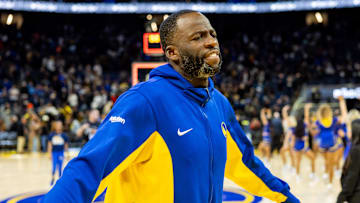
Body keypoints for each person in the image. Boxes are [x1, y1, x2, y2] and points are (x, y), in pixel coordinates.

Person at [42, 10, 299, 203]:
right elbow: (89, 168)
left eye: (212, 34)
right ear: (172, 52)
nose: (211, 41)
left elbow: (245, 163)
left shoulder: (219, 103)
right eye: (198, 37)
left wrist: (286, 198)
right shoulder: (145, 102)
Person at [315, 96, 347, 185]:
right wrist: (342, 102)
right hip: (332, 143)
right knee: (331, 163)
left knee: (327, 162)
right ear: (329, 111)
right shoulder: (333, 120)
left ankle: (326, 173)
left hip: (322, 144)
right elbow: (344, 116)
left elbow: (315, 131)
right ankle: (330, 183)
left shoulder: (318, 121)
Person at [337, 119, 360, 203]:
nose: (347, 131)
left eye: (349, 129)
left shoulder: (356, 150)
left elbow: (352, 176)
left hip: (355, 195)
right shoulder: (352, 145)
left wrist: (342, 196)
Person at [48, 120, 69, 185]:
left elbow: (66, 145)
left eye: (60, 125)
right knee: (54, 167)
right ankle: (53, 178)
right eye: (57, 125)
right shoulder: (52, 135)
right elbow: (49, 144)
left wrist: (67, 153)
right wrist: (49, 153)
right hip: (54, 153)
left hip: (61, 152)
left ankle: (60, 180)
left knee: (60, 166)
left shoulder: (64, 135)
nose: (59, 126)